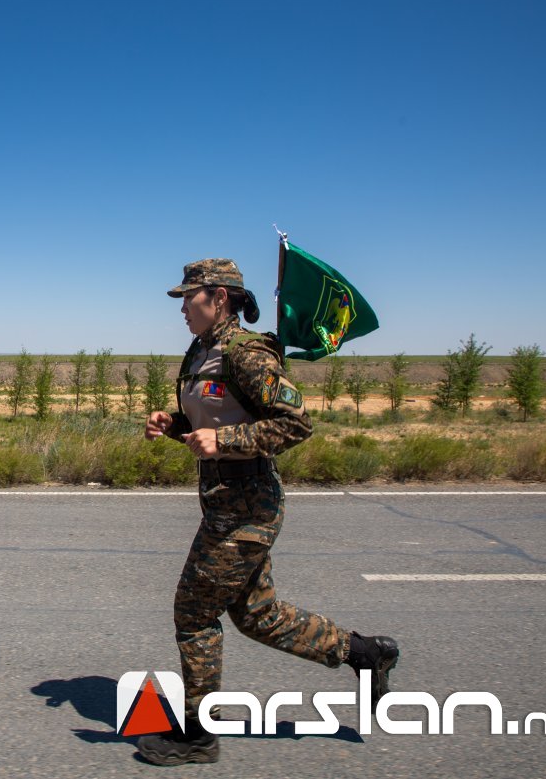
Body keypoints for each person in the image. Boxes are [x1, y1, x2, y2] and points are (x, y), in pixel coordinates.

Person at [136, 258, 398, 766]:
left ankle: (196, 735)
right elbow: (211, 419)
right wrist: (172, 424)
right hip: (224, 503)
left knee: (193, 615)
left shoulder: (248, 353)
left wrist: (224, 440)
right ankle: (366, 654)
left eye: (188, 298)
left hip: (247, 507)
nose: (182, 309)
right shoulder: (202, 350)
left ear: (218, 297)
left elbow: (295, 424)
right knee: (258, 617)